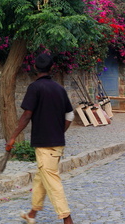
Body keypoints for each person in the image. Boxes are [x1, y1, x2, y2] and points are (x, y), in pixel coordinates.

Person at [5, 53, 75, 224]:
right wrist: (60, 131)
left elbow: (27, 115)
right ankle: (32, 214)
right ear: (52, 68)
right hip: (56, 144)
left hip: (45, 145)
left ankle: (67, 219)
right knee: (41, 178)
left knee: (51, 180)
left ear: (35, 68)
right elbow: (70, 115)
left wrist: (12, 137)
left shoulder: (35, 88)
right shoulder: (59, 89)